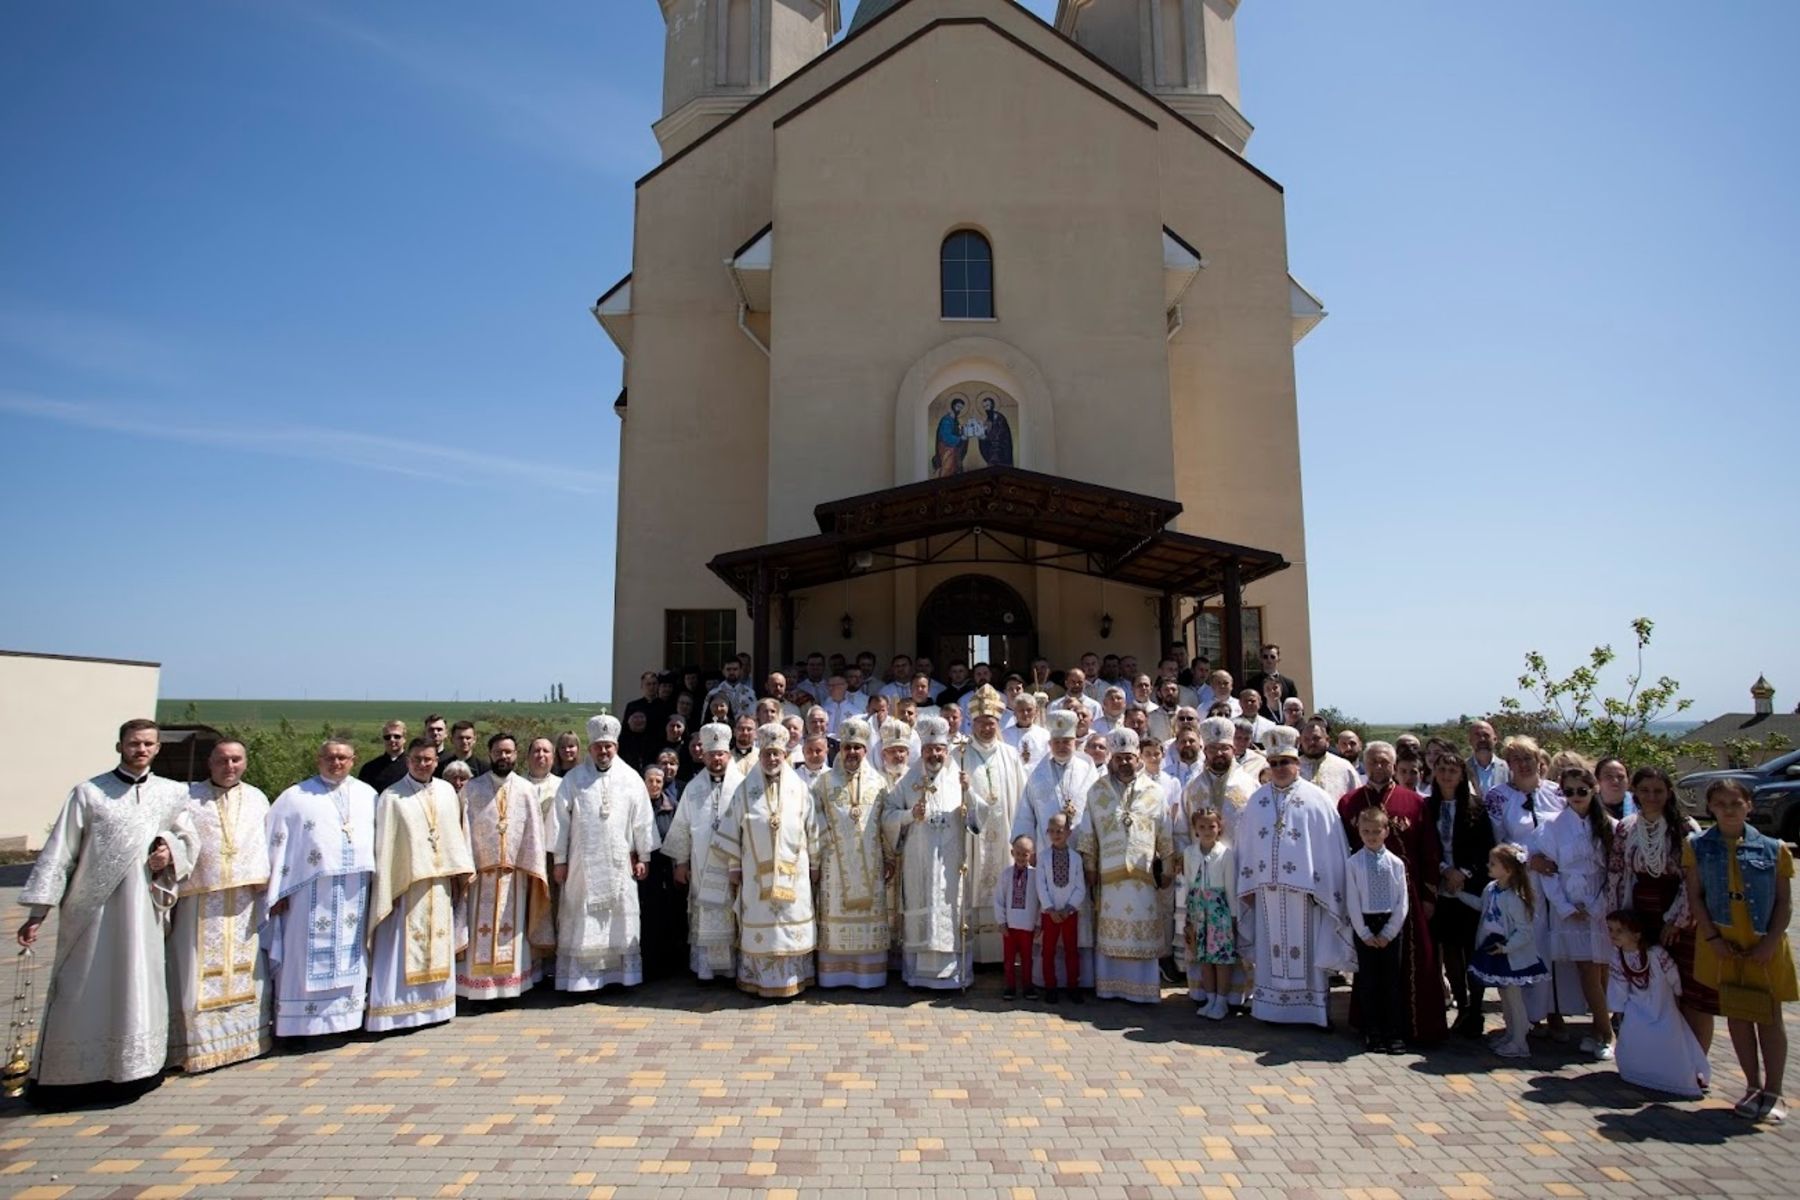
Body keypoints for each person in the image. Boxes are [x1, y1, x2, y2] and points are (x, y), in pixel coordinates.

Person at [16, 719, 198, 1090]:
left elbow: (187, 838)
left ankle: (138, 1068)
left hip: (143, 908)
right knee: (83, 983)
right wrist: (38, 912)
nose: (141, 749)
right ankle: (73, 1073)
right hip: (92, 909)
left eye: (148, 743)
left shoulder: (172, 793)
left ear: (158, 748)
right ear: (120, 747)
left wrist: (169, 849)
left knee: (140, 980)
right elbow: (59, 853)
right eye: (134, 743)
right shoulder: (89, 793)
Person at [1685, 778, 1793, 1123]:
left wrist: (1770, 942)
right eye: (1721, 804)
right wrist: (1714, 939)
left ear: (1749, 805)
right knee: (1739, 1014)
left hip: (1763, 943)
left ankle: (1774, 1090)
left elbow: (1784, 902)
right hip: (1722, 944)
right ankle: (1752, 1085)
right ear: (1710, 808)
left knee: (1770, 1016)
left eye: (1735, 803)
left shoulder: (1774, 849)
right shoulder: (1698, 846)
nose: (1728, 810)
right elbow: (1695, 897)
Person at [1234, 726, 1355, 1028]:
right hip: (1267, 893)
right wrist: (1247, 884)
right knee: (1270, 951)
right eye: (1273, 764)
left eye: (1284, 762)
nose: (1278, 769)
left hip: (1307, 894)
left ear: (1297, 763)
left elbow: (1331, 849)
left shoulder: (1318, 799)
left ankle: (1311, 1011)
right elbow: (1245, 846)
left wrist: (1324, 888)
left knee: (1306, 955)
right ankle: (1269, 1010)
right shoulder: (1257, 800)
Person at [167, 738, 272, 1073]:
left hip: (244, 898)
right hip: (200, 897)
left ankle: (248, 1039)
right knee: (193, 969)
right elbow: (172, 838)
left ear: (246, 762)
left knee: (247, 965)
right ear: (209, 763)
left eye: (236, 760)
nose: (230, 767)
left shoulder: (257, 797)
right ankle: (195, 1045)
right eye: (223, 760)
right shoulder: (188, 799)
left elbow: (267, 839)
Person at [262, 738, 378, 1038]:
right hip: (307, 893)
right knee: (300, 956)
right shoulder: (294, 797)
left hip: (356, 891)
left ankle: (347, 1022)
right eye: (330, 757)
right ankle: (299, 1027)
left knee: (352, 954)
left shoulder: (368, 795)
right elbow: (276, 844)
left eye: (343, 758)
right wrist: (277, 891)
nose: (336, 763)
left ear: (354, 760)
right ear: (319, 759)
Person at [1337, 742, 1446, 1045]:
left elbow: (1429, 851)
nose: (1378, 766)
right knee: (1371, 972)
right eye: (1373, 761)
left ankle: (1410, 1028)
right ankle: (1372, 1027)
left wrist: (1428, 896)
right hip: (1365, 898)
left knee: (1413, 966)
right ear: (1365, 763)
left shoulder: (1414, 802)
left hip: (1406, 895)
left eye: (1385, 761)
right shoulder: (1349, 803)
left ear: (1394, 764)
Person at [703, 723, 821, 998]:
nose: (772, 759)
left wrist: (815, 863)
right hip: (755, 875)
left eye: (777, 754)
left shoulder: (801, 789)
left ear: (784, 755)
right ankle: (759, 980)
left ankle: (794, 978)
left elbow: (813, 827)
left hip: (795, 874)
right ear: (760, 755)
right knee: (760, 922)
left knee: (790, 923)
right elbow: (733, 828)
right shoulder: (745, 790)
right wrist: (733, 866)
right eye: (767, 754)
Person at [366, 739, 475, 1032]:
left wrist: (458, 871)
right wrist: (391, 883)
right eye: (417, 759)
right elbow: (387, 846)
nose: (423, 764)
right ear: (407, 760)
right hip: (406, 885)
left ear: (436, 762)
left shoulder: (446, 791)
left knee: (439, 941)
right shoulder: (392, 797)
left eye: (428, 759)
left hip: (439, 884)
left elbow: (454, 833)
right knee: (402, 946)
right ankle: (398, 1011)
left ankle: (436, 1007)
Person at [1608, 765, 1714, 1050]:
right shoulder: (1626, 827)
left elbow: (1693, 878)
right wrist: (1617, 920)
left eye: (1658, 791)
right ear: (1635, 793)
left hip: (1680, 914)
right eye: (1644, 790)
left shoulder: (1685, 828)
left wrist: (1676, 920)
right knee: (1649, 987)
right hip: (1641, 914)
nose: (1651, 796)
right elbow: (1617, 874)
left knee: (1689, 990)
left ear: (1669, 793)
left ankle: (1694, 1060)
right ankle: (1655, 1056)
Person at [551, 715, 659, 992]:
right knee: (582, 919)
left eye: (608, 746)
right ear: (590, 748)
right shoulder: (573, 780)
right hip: (580, 866)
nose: (603, 751)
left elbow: (642, 819)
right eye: (598, 746)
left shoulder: (631, 779)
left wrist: (644, 856)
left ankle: (621, 976)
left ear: (616, 747)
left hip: (619, 862)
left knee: (619, 920)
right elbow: (559, 822)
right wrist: (559, 860)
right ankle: (582, 981)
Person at [884, 715, 989, 990]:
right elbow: (888, 815)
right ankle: (918, 975)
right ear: (922, 751)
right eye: (930, 749)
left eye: (939, 749)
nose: (935, 754)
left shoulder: (959, 778)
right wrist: (909, 814)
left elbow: (977, 818)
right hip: (918, 862)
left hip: (951, 862)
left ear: (946, 751)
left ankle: (954, 976)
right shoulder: (908, 781)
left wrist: (969, 794)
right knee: (922, 908)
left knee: (950, 909)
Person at [1483, 735, 1582, 1027]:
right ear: (1509, 765)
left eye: (1528, 758)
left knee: (1558, 947)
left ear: (1540, 760)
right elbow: (1498, 842)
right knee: (1530, 946)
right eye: (1516, 760)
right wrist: (1528, 860)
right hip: (1523, 883)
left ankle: (1558, 1011)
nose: (1523, 765)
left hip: (1559, 881)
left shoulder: (1558, 792)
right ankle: (1530, 1016)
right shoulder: (1498, 797)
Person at [457, 733, 555, 1002]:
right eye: (499, 752)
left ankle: (511, 989)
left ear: (516, 755)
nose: (504, 757)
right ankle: (478, 992)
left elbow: (534, 834)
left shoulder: (525, 790)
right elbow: (462, 830)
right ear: (490, 753)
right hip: (481, 876)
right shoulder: (472, 789)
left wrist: (533, 868)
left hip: (515, 878)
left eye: (509, 752)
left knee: (512, 934)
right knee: (481, 935)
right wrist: (467, 866)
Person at [1078, 728, 1174, 1004]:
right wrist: (1089, 866)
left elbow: (1164, 831)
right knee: (1111, 929)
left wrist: (1167, 867)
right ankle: (1110, 987)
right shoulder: (1097, 791)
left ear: (1138, 758)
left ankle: (1143, 991)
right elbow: (1088, 832)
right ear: (1110, 758)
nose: (1124, 762)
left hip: (1143, 875)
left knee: (1143, 928)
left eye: (1129, 757)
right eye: (1118, 757)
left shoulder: (1155, 791)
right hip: (1109, 875)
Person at [1540, 765, 1617, 1061]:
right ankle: (1606, 1029)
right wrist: (1565, 906)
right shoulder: (1553, 826)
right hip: (1570, 903)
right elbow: (1548, 870)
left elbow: (1614, 869)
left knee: (1602, 968)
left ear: (1594, 789)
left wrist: (1599, 905)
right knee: (1586, 968)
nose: (1575, 796)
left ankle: (1601, 1030)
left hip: (1600, 901)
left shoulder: (1609, 825)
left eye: (1581, 790)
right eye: (1568, 791)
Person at [811, 717, 892, 990]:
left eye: (858, 748)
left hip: (871, 864)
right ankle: (835, 976)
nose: (852, 753)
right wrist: (822, 846)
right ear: (840, 749)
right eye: (848, 748)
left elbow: (886, 821)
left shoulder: (880, 783)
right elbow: (812, 817)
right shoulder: (822, 783)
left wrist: (890, 855)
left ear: (865, 751)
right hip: (834, 865)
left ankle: (868, 976)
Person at [660, 723, 738, 983]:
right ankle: (706, 969)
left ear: (728, 755)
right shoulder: (693, 788)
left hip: (734, 866)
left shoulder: (742, 786)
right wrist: (680, 862)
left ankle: (733, 968)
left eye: (720, 754)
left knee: (733, 913)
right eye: (711, 754)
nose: (716, 759)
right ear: (702, 756)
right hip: (701, 865)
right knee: (705, 914)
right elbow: (681, 826)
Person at [1606, 909, 1710, 1098]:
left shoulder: (1655, 954)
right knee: (1635, 1035)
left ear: (1636, 934)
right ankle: (1639, 1071)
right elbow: (1618, 986)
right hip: (1637, 1005)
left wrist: (1677, 993)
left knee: (1668, 1037)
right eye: (1611, 930)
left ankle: (1674, 1076)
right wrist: (1619, 1007)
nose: (1613, 935)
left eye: (1619, 931)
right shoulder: (1618, 958)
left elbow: (1672, 976)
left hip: (1662, 1004)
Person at [958, 685, 1027, 964]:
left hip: (1005, 835)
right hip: (972, 839)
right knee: (974, 885)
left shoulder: (1010, 755)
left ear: (999, 723)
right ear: (972, 723)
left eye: (992, 723)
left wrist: (1022, 836)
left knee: (1003, 887)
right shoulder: (960, 754)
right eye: (981, 722)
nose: (987, 728)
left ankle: (1003, 954)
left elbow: (1021, 797)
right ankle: (974, 956)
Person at [1430, 754, 1495, 1038]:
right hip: (1442, 887)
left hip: (1469, 889)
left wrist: (1463, 873)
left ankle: (1477, 1009)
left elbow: (1486, 847)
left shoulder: (1477, 808)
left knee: (1472, 950)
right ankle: (1462, 1005)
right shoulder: (1427, 807)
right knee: (1451, 952)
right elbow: (1427, 845)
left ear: (1461, 775)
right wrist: (1444, 870)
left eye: (1452, 770)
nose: (1447, 775)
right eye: (1442, 769)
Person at [1470, 843, 1549, 1059]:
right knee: (1504, 996)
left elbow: (1525, 931)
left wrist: (1507, 947)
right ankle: (1510, 1034)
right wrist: (1459, 895)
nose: (1489, 866)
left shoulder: (1515, 897)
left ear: (1508, 869)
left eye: (1493, 863)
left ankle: (1520, 1041)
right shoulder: (1491, 889)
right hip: (1493, 948)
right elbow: (1482, 906)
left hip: (1509, 954)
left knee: (1514, 998)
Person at [1346, 808, 1410, 1054]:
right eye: (1366, 831)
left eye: (1376, 831)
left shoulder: (1396, 863)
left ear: (1386, 831)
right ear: (1359, 832)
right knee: (1369, 983)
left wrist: (1390, 932)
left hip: (1389, 927)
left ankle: (1393, 1032)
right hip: (1365, 925)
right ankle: (1373, 1033)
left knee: (1391, 983)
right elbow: (1352, 899)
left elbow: (1401, 900)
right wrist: (1363, 933)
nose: (1371, 836)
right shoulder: (1353, 863)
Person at [1177, 806, 1237, 1020]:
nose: (1207, 831)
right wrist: (1186, 917)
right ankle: (1210, 997)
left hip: (1219, 910)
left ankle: (1222, 1000)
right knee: (1203, 956)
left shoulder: (1226, 854)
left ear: (1219, 827)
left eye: (1211, 826)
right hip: (1197, 909)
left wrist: (1233, 917)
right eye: (1201, 827)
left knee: (1220, 958)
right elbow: (1188, 883)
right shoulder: (1189, 853)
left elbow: (1230, 887)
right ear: (1195, 829)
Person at [1036, 812, 1086, 1004]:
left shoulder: (1075, 858)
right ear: (1047, 833)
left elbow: (1080, 886)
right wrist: (1050, 908)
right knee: (1047, 951)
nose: (1056, 834)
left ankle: (1073, 986)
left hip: (1069, 913)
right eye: (1052, 831)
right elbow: (1041, 885)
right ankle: (1050, 987)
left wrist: (1069, 908)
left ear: (1068, 832)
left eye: (1060, 830)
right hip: (1050, 914)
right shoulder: (1044, 857)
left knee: (1071, 950)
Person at [994, 835, 1039, 1001]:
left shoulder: (1036, 876)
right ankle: (1010, 987)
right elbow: (999, 899)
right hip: (1010, 926)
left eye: (1025, 854)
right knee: (1009, 960)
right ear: (1012, 852)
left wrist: (1038, 924)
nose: (1021, 857)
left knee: (1027, 959)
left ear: (1031, 855)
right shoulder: (1006, 875)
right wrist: (1001, 921)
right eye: (1018, 853)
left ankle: (1028, 987)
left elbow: (1040, 902)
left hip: (1027, 926)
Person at [1296, 717, 1358, 799]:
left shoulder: (1344, 767)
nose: (1311, 743)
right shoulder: (1292, 767)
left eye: (1316, 738)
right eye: (1306, 739)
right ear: (1300, 741)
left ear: (1327, 740)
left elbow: (1357, 797)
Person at [358, 720, 411, 794]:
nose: (392, 739)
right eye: (387, 737)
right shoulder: (370, 768)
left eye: (397, 736)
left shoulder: (414, 765)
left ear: (404, 738)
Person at [1004, 691, 1049, 766]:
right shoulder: (1005, 735)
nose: (1025, 714)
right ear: (1015, 712)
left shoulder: (1045, 735)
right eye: (1021, 710)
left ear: (1036, 711)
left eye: (1029, 710)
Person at [1465, 720, 1508, 797]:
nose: (1482, 739)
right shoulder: (1462, 769)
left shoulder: (1508, 768)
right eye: (1477, 735)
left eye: (1486, 735)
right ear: (1470, 740)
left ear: (1495, 739)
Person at [1593, 756, 1638, 821]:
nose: (1615, 781)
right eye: (1609, 776)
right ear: (1598, 780)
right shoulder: (1587, 805)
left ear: (1628, 781)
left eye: (1620, 776)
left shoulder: (1640, 804)